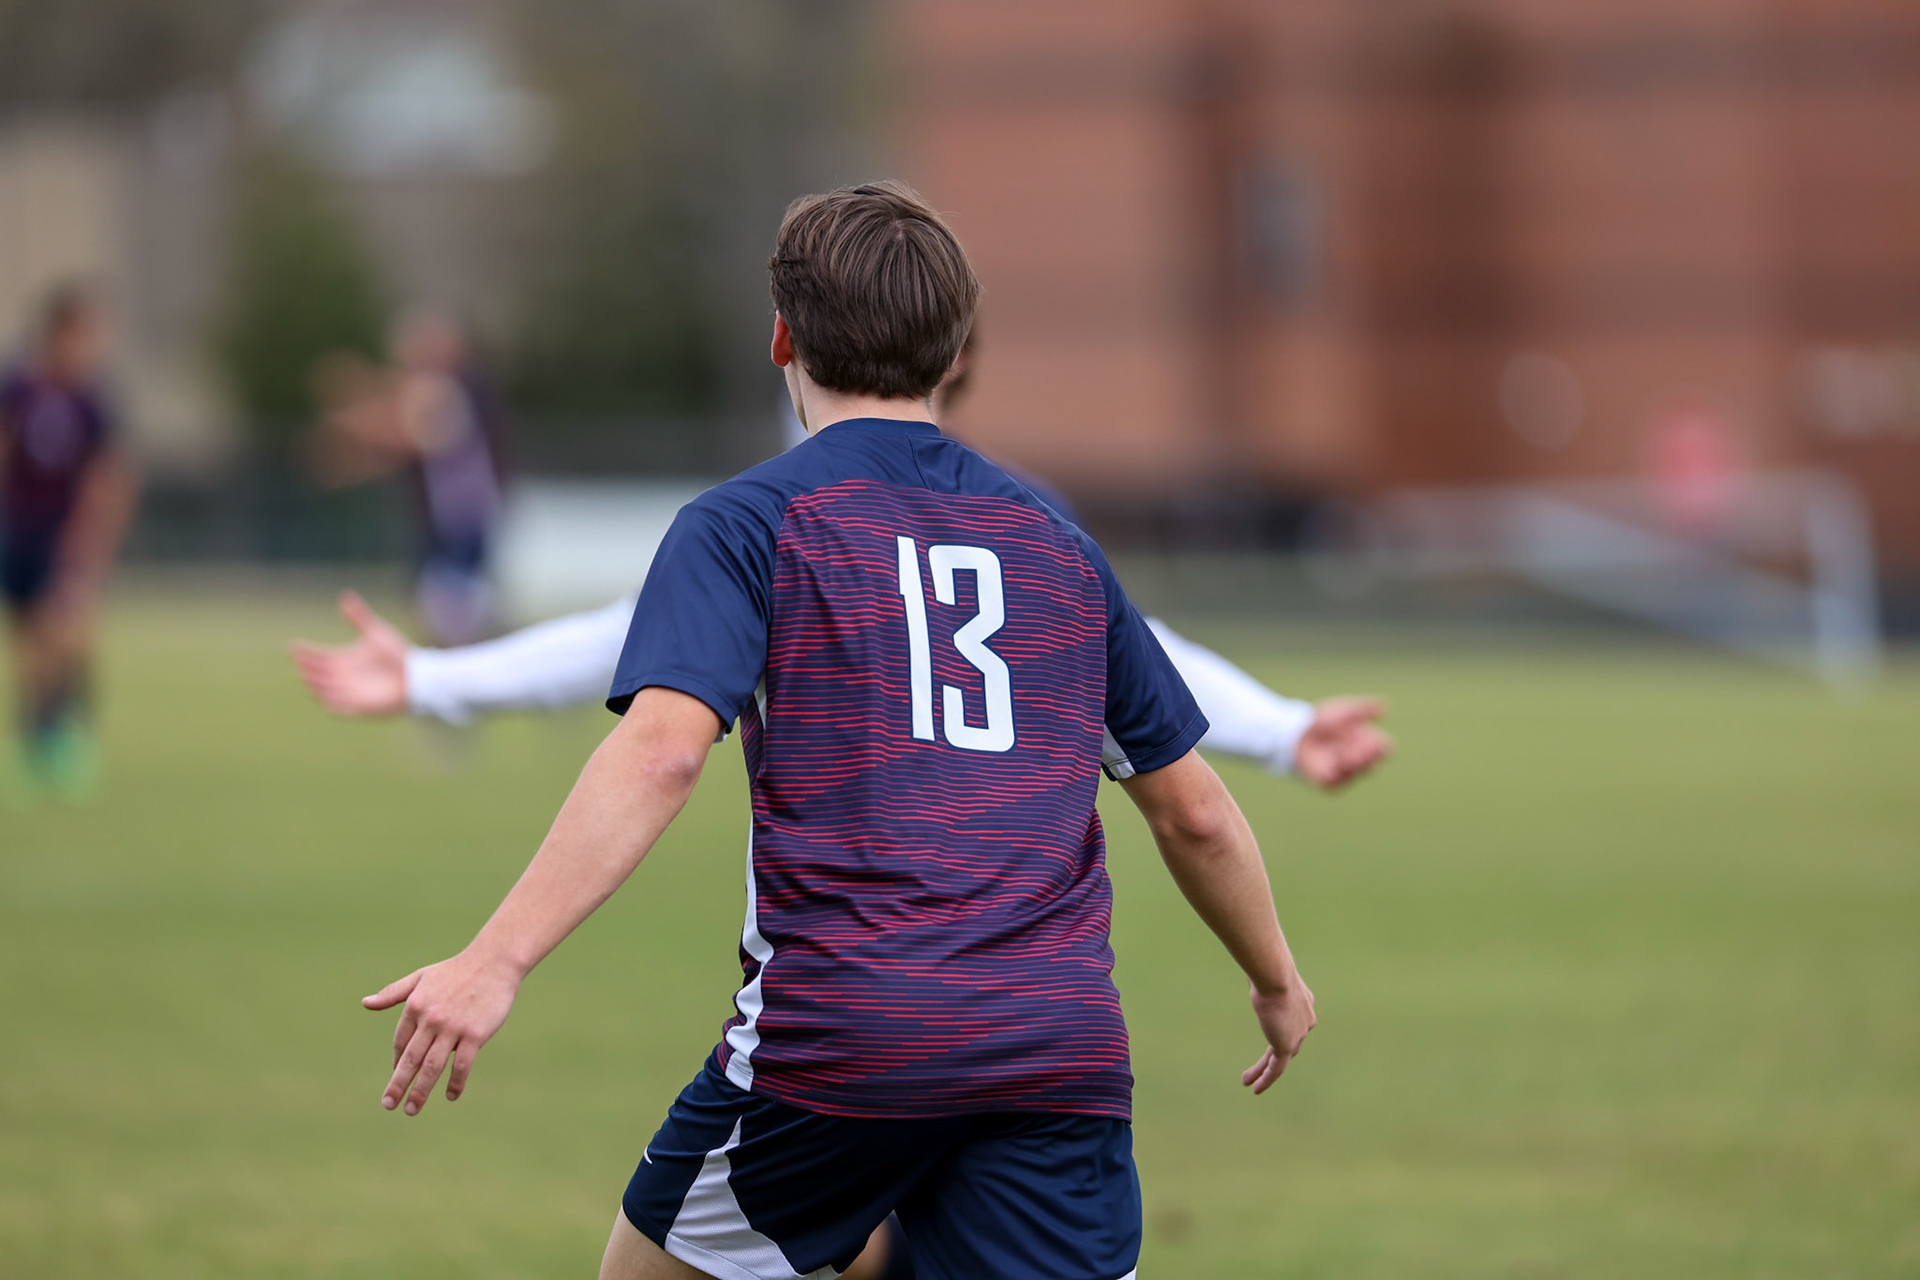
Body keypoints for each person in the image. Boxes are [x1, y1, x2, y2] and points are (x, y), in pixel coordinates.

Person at [360, 182, 1317, 1280]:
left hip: (842, 1037)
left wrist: (498, 956)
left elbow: (664, 748)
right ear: (956, 349)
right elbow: (1192, 809)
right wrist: (1276, 979)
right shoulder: (1057, 539)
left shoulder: (746, 522)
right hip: (1053, 1047)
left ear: (781, 337)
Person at [292, 358, 1391, 792]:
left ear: (791, 360)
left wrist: (439, 679)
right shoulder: (1034, 522)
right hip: (1038, 1004)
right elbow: (1151, 667)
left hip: (841, 1006)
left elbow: (625, 650)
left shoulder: (768, 524)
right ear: (956, 364)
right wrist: (1283, 727)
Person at [0, 284, 138, 803]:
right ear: (59, 332)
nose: (94, 345)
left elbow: (111, 475)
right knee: (30, 648)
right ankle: (37, 739)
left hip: (66, 536)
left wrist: (95, 545)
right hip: (18, 532)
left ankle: (67, 734)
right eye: (87, 333)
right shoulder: (19, 387)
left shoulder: (92, 400)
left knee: (69, 634)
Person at [309, 306, 505, 646]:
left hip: (461, 513)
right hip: (448, 514)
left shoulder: (448, 388)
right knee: (439, 602)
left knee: (452, 605)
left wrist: (348, 423)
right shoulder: (434, 387)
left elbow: (408, 435)